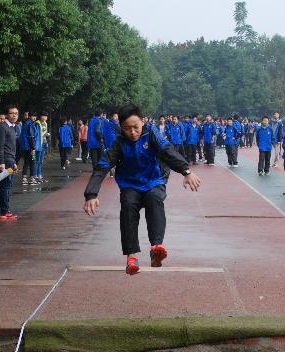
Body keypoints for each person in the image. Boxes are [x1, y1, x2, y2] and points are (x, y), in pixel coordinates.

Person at [83, 104, 201, 275]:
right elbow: (103, 165)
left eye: (135, 127)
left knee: (154, 199)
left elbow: (167, 150)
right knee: (128, 206)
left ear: (143, 122)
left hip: (153, 180)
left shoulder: (151, 133)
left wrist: (186, 171)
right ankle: (131, 257)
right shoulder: (119, 142)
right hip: (130, 184)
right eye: (127, 128)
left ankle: (156, 248)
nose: (132, 132)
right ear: (121, 127)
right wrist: (91, 194)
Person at [0, 105, 20, 221]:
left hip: (10, 161)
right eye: (12, 113)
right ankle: (4, 212)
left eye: (16, 113)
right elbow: (0, 146)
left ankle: (6, 210)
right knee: (5, 186)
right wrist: (1, 162)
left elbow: (11, 147)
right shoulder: (3, 127)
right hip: (5, 161)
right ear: (7, 115)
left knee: (8, 186)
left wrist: (14, 162)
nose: (14, 115)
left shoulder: (12, 127)